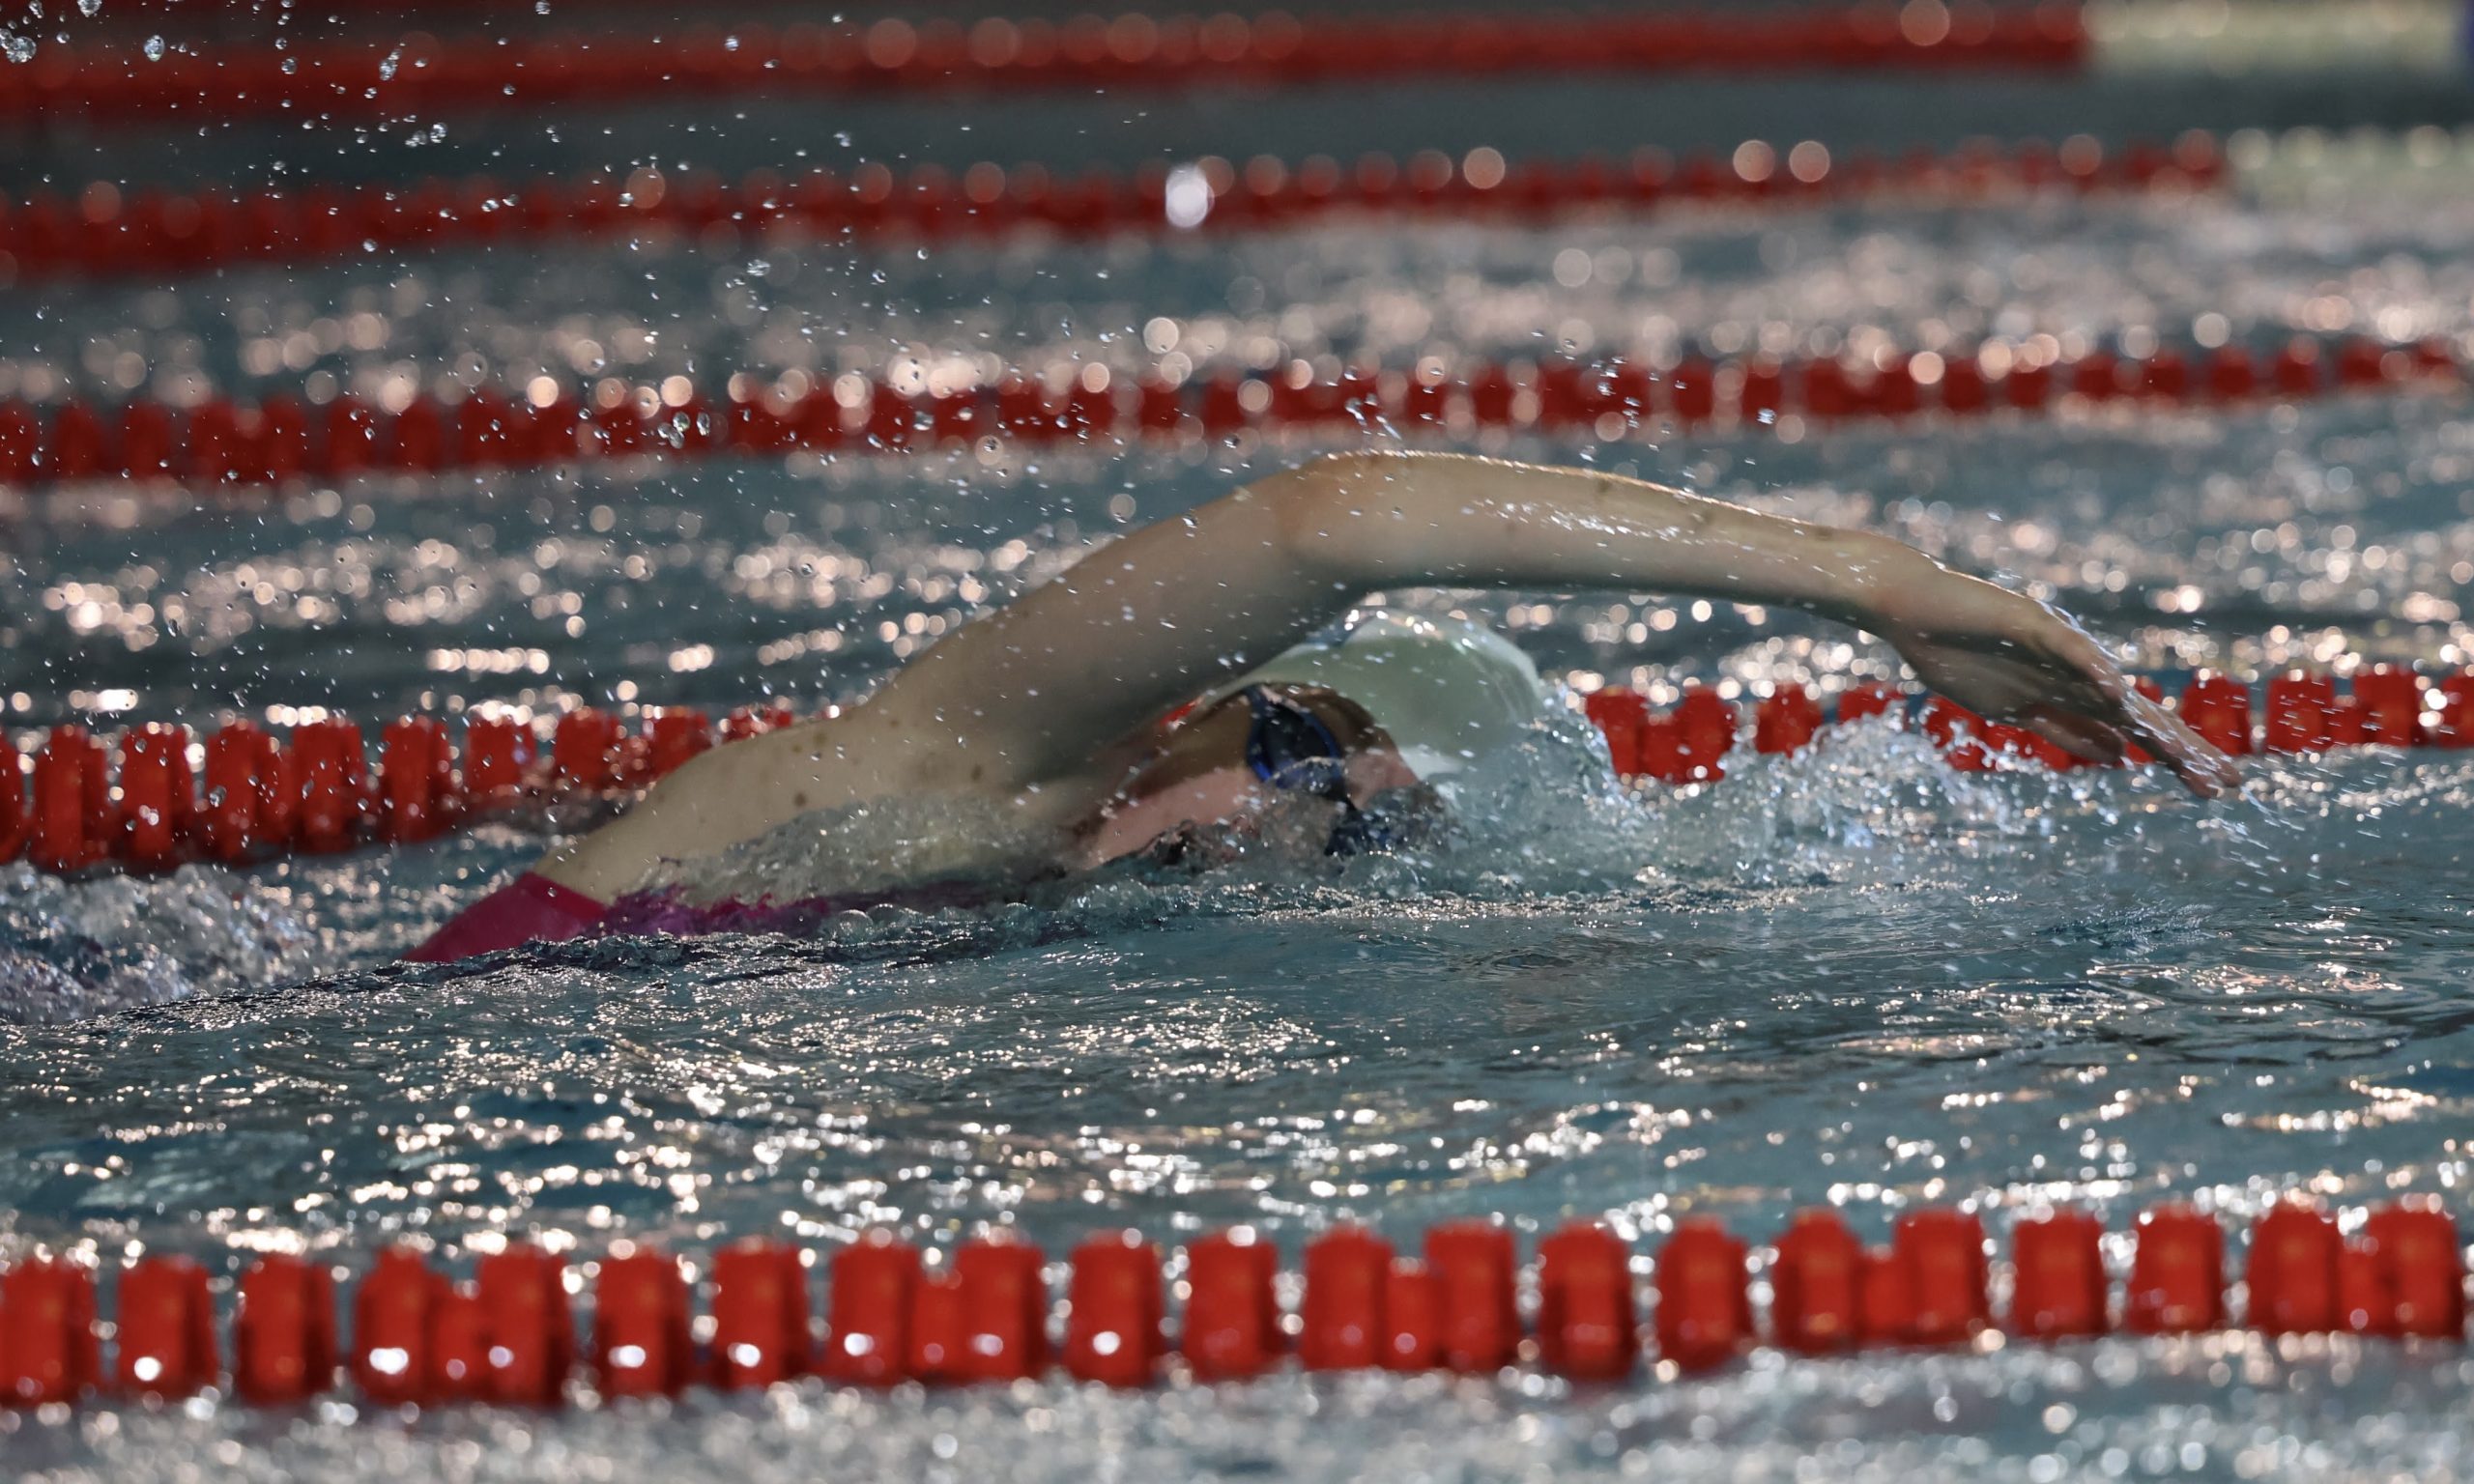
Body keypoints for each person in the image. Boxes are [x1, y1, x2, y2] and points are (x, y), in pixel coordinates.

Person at [404, 450, 2238, 962]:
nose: (1273, 822)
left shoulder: (1039, 953)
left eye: (1358, 834)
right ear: (1204, 708)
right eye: (1296, 744)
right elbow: (1334, 520)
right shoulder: (951, 765)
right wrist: (1871, 581)